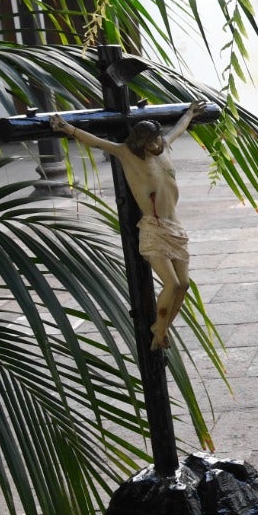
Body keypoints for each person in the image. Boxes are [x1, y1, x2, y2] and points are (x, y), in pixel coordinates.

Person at [51, 102, 205, 350]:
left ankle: (160, 328)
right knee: (172, 284)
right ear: (141, 143)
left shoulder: (163, 147)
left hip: (176, 227)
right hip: (153, 229)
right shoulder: (127, 154)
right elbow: (98, 143)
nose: (157, 145)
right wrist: (67, 128)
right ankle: (160, 330)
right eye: (152, 142)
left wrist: (189, 113)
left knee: (184, 285)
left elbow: (177, 129)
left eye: (157, 140)